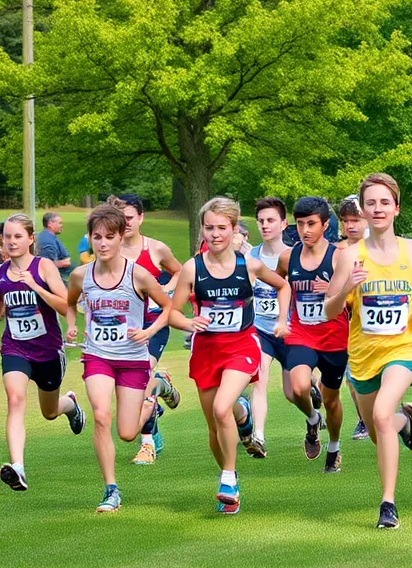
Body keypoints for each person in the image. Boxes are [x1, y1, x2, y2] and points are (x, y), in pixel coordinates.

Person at [324, 173, 412, 529]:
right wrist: (345, 288)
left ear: (396, 208)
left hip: (405, 346)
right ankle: (406, 421)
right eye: (371, 203)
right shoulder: (348, 256)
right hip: (364, 355)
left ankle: (388, 504)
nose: (378, 209)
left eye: (385, 202)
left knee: (381, 415)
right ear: (362, 211)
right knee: (377, 424)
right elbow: (329, 310)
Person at [169, 197, 288, 514]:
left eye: (222, 228)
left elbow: (283, 286)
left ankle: (226, 478)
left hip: (242, 346)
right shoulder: (192, 268)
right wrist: (188, 321)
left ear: (235, 230)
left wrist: (281, 318)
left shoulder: (249, 265)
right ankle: (232, 477)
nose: (215, 234)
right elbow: (173, 312)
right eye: (209, 228)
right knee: (214, 426)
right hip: (207, 350)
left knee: (222, 409)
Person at [66, 205, 174, 513]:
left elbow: (169, 308)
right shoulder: (79, 275)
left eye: (109, 237)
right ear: (90, 238)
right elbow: (70, 303)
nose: (102, 243)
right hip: (97, 356)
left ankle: (156, 390)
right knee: (101, 415)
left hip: (132, 359)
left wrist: (148, 331)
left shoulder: (138, 275)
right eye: (96, 237)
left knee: (127, 433)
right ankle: (111, 489)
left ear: (120, 237)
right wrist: (72, 324)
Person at [0, 214, 87, 490]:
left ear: (31, 239)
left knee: (49, 411)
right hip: (15, 348)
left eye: (18, 236)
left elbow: (66, 305)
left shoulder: (43, 266)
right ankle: (18, 467)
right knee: (15, 399)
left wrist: (35, 287)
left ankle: (70, 405)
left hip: (47, 351)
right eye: (7, 236)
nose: (11, 241)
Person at [281, 196, 351, 472]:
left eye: (311, 223)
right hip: (301, 333)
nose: (306, 230)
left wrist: (333, 290)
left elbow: (348, 296)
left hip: (334, 337)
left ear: (324, 225)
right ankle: (312, 419)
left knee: (332, 401)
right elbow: (280, 285)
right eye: (300, 224)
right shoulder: (288, 257)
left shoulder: (339, 256)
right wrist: (280, 316)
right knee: (298, 387)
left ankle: (334, 446)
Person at [115, 194, 184, 465]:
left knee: (141, 382)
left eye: (130, 217)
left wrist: (165, 289)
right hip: (124, 329)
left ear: (141, 217)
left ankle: (146, 445)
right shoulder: (111, 250)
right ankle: (163, 385)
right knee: (128, 389)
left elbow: (179, 272)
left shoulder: (156, 249)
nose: (126, 222)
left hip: (153, 325)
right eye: (121, 218)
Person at [247, 196, 292, 459]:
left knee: (292, 392)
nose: (265, 225)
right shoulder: (249, 256)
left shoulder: (292, 256)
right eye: (261, 221)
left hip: (289, 331)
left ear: (283, 224)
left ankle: (312, 415)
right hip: (260, 329)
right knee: (259, 379)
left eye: (271, 220)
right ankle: (259, 436)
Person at [337, 197, 372, 441]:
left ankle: (394, 411)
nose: (350, 226)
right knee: (352, 376)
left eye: (355, 220)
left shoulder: (376, 248)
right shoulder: (337, 251)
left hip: (377, 320)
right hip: (348, 322)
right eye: (345, 221)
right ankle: (364, 419)